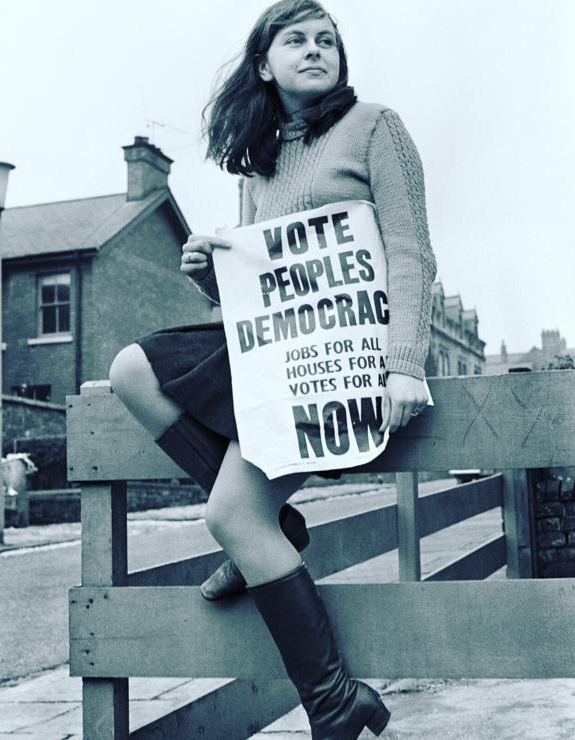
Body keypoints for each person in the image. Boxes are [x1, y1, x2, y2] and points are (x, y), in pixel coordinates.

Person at [109, 0, 437, 736]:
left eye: (328, 41)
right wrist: (207, 272)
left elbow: (413, 250)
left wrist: (404, 362)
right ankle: (275, 527)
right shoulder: (258, 164)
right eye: (298, 40)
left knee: (229, 514)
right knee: (133, 369)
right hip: (274, 349)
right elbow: (256, 291)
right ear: (265, 62)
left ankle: (332, 700)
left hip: (343, 356)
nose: (317, 50)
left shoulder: (376, 126)